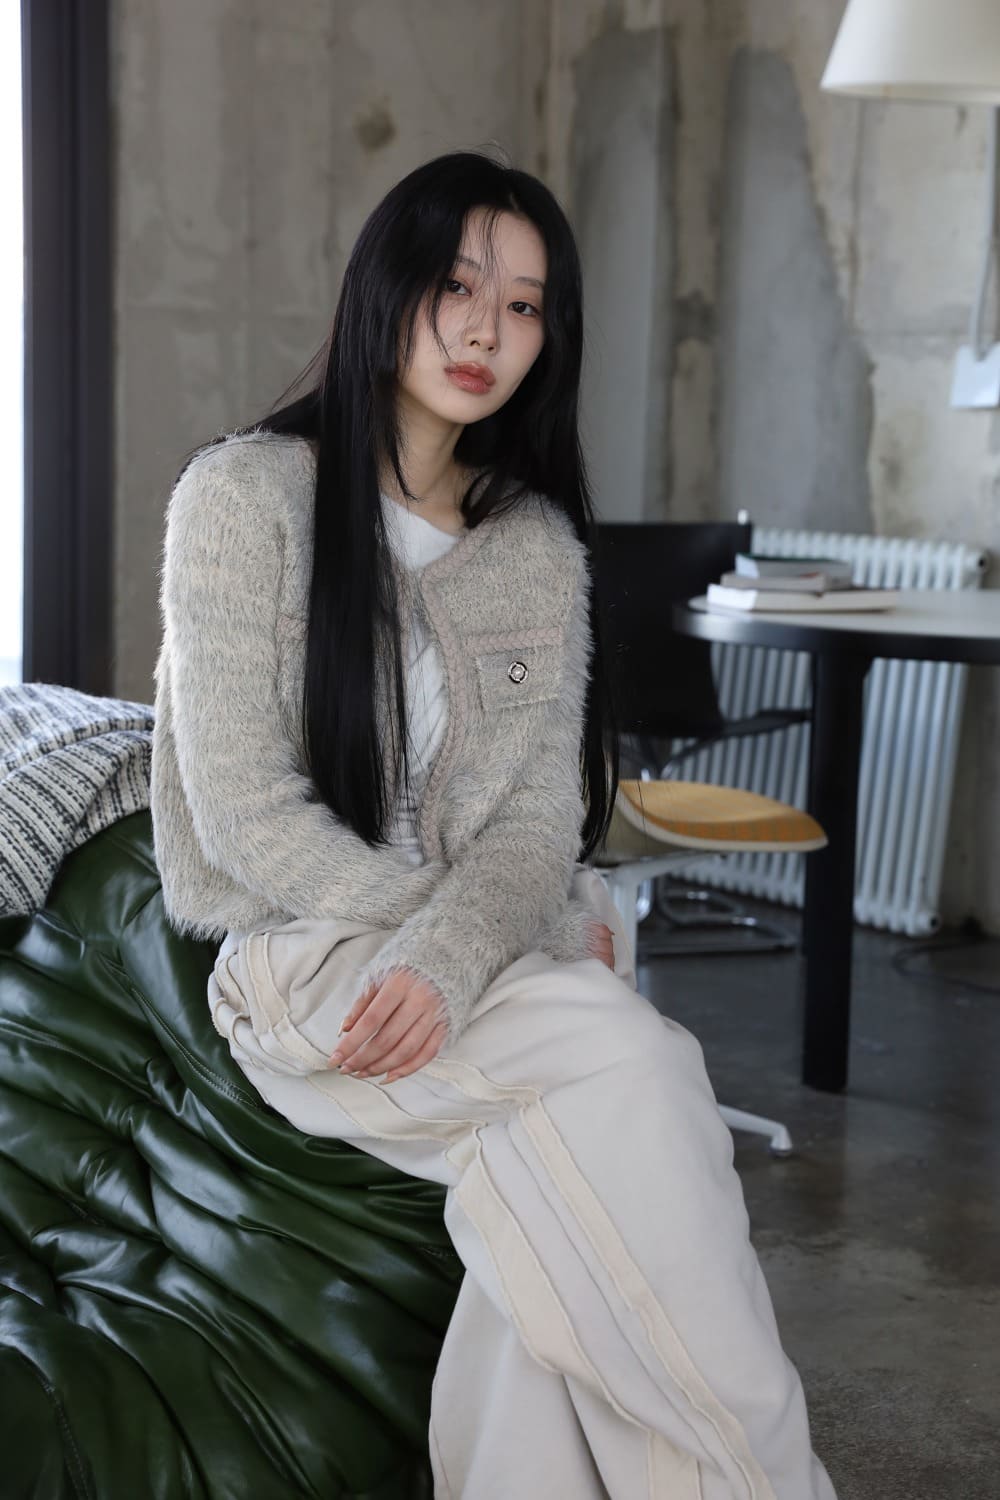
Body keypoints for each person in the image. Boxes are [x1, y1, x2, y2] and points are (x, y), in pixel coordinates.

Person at [150, 147, 838, 1500]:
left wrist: (473, 948)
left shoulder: (535, 546)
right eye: (458, 286)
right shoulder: (244, 498)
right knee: (638, 1064)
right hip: (307, 962)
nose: (485, 331)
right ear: (387, 286)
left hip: (471, 967)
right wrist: (484, 941)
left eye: (524, 306)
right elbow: (245, 816)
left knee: (556, 1202)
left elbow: (536, 825)